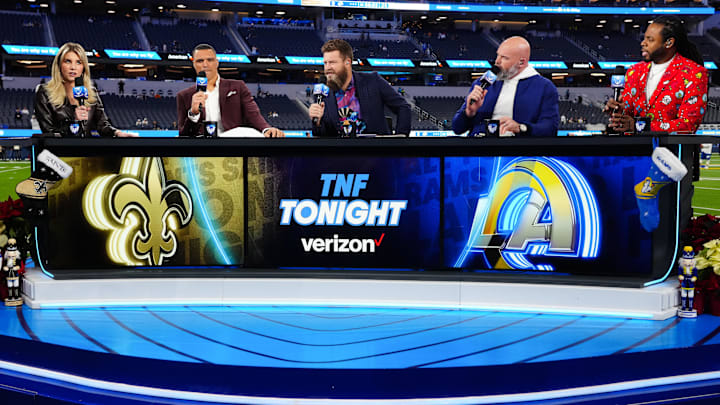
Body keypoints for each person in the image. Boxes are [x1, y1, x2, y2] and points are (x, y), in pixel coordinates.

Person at [605, 16, 707, 134]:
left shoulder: (694, 73)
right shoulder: (635, 71)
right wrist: (619, 111)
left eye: (650, 39)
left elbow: (688, 125)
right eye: (644, 38)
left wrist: (640, 126)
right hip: (634, 149)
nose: (643, 43)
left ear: (669, 43)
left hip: (672, 150)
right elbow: (629, 113)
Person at [452, 36, 559, 137]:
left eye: (504, 58)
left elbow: (550, 128)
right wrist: (468, 112)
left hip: (519, 152)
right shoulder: (482, 83)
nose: (497, 61)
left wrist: (521, 128)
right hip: (480, 150)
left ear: (521, 62)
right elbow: (457, 128)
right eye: (498, 55)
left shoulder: (544, 87)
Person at [308, 39, 411, 137]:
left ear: (347, 62)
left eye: (332, 62)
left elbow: (403, 107)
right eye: (325, 63)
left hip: (374, 151)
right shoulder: (323, 93)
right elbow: (322, 135)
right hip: (340, 153)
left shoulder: (373, 81)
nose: (327, 68)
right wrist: (318, 122)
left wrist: (399, 138)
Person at [177, 44, 284, 137]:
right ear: (194, 64)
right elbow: (184, 135)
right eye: (200, 61)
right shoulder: (184, 96)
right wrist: (194, 114)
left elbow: (253, 114)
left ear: (216, 63)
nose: (205, 64)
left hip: (232, 144)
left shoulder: (238, 87)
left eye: (209, 60)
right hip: (202, 149)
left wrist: (266, 129)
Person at [33, 42, 135, 137]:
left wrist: (117, 133)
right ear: (59, 65)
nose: (73, 67)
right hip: (58, 153)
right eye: (68, 61)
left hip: (87, 152)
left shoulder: (91, 92)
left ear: (83, 67)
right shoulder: (44, 92)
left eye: (78, 62)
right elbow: (48, 132)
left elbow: (102, 126)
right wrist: (74, 121)